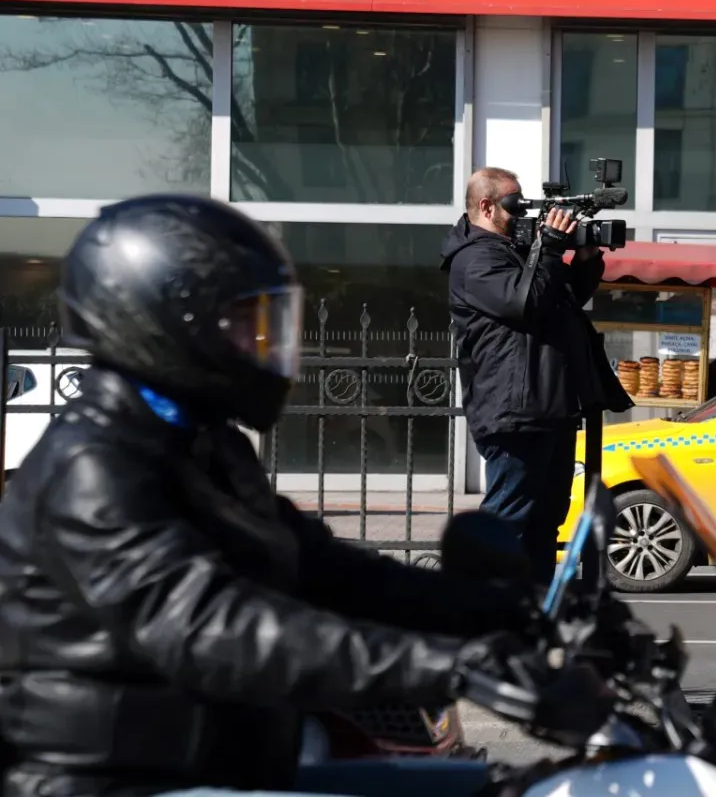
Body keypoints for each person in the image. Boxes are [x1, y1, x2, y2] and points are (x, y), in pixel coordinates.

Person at [0, 195, 604, 797]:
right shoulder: (92, 466)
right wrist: (452, 666)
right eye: (243, 325)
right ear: (159, 325)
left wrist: (503, 612)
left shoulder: (201, 443)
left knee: (496, 787)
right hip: (118, 783)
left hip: (221, 762)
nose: (264, 346)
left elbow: (325, 568)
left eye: (270, 324)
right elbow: (217, 628)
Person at [442, 167, 632, 584]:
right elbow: (523, 304)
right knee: (508, 518)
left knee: (546, 521)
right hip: (515, 410)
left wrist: (583, 259)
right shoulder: (475, 258)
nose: (524, 210)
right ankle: (465, 604)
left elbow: (558, 300)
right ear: (487, 206)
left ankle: (532, 612)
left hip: (549, 405)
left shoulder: (510, 249)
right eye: (515, 202)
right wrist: (549, 248)